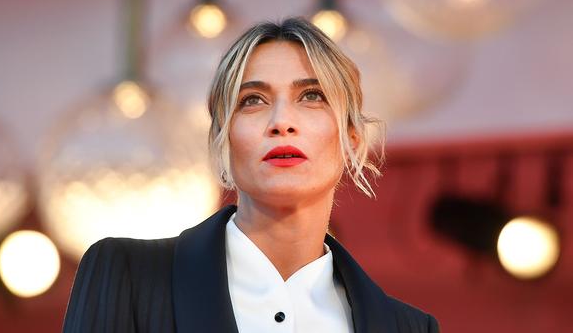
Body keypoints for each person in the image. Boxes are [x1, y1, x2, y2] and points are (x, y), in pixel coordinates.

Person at [62, 17, 440, 333]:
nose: (281, 123)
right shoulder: (129, 276)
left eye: (311, 96)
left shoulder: (408, 327)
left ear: (352, 139)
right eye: (252, 101)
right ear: (222, 139)